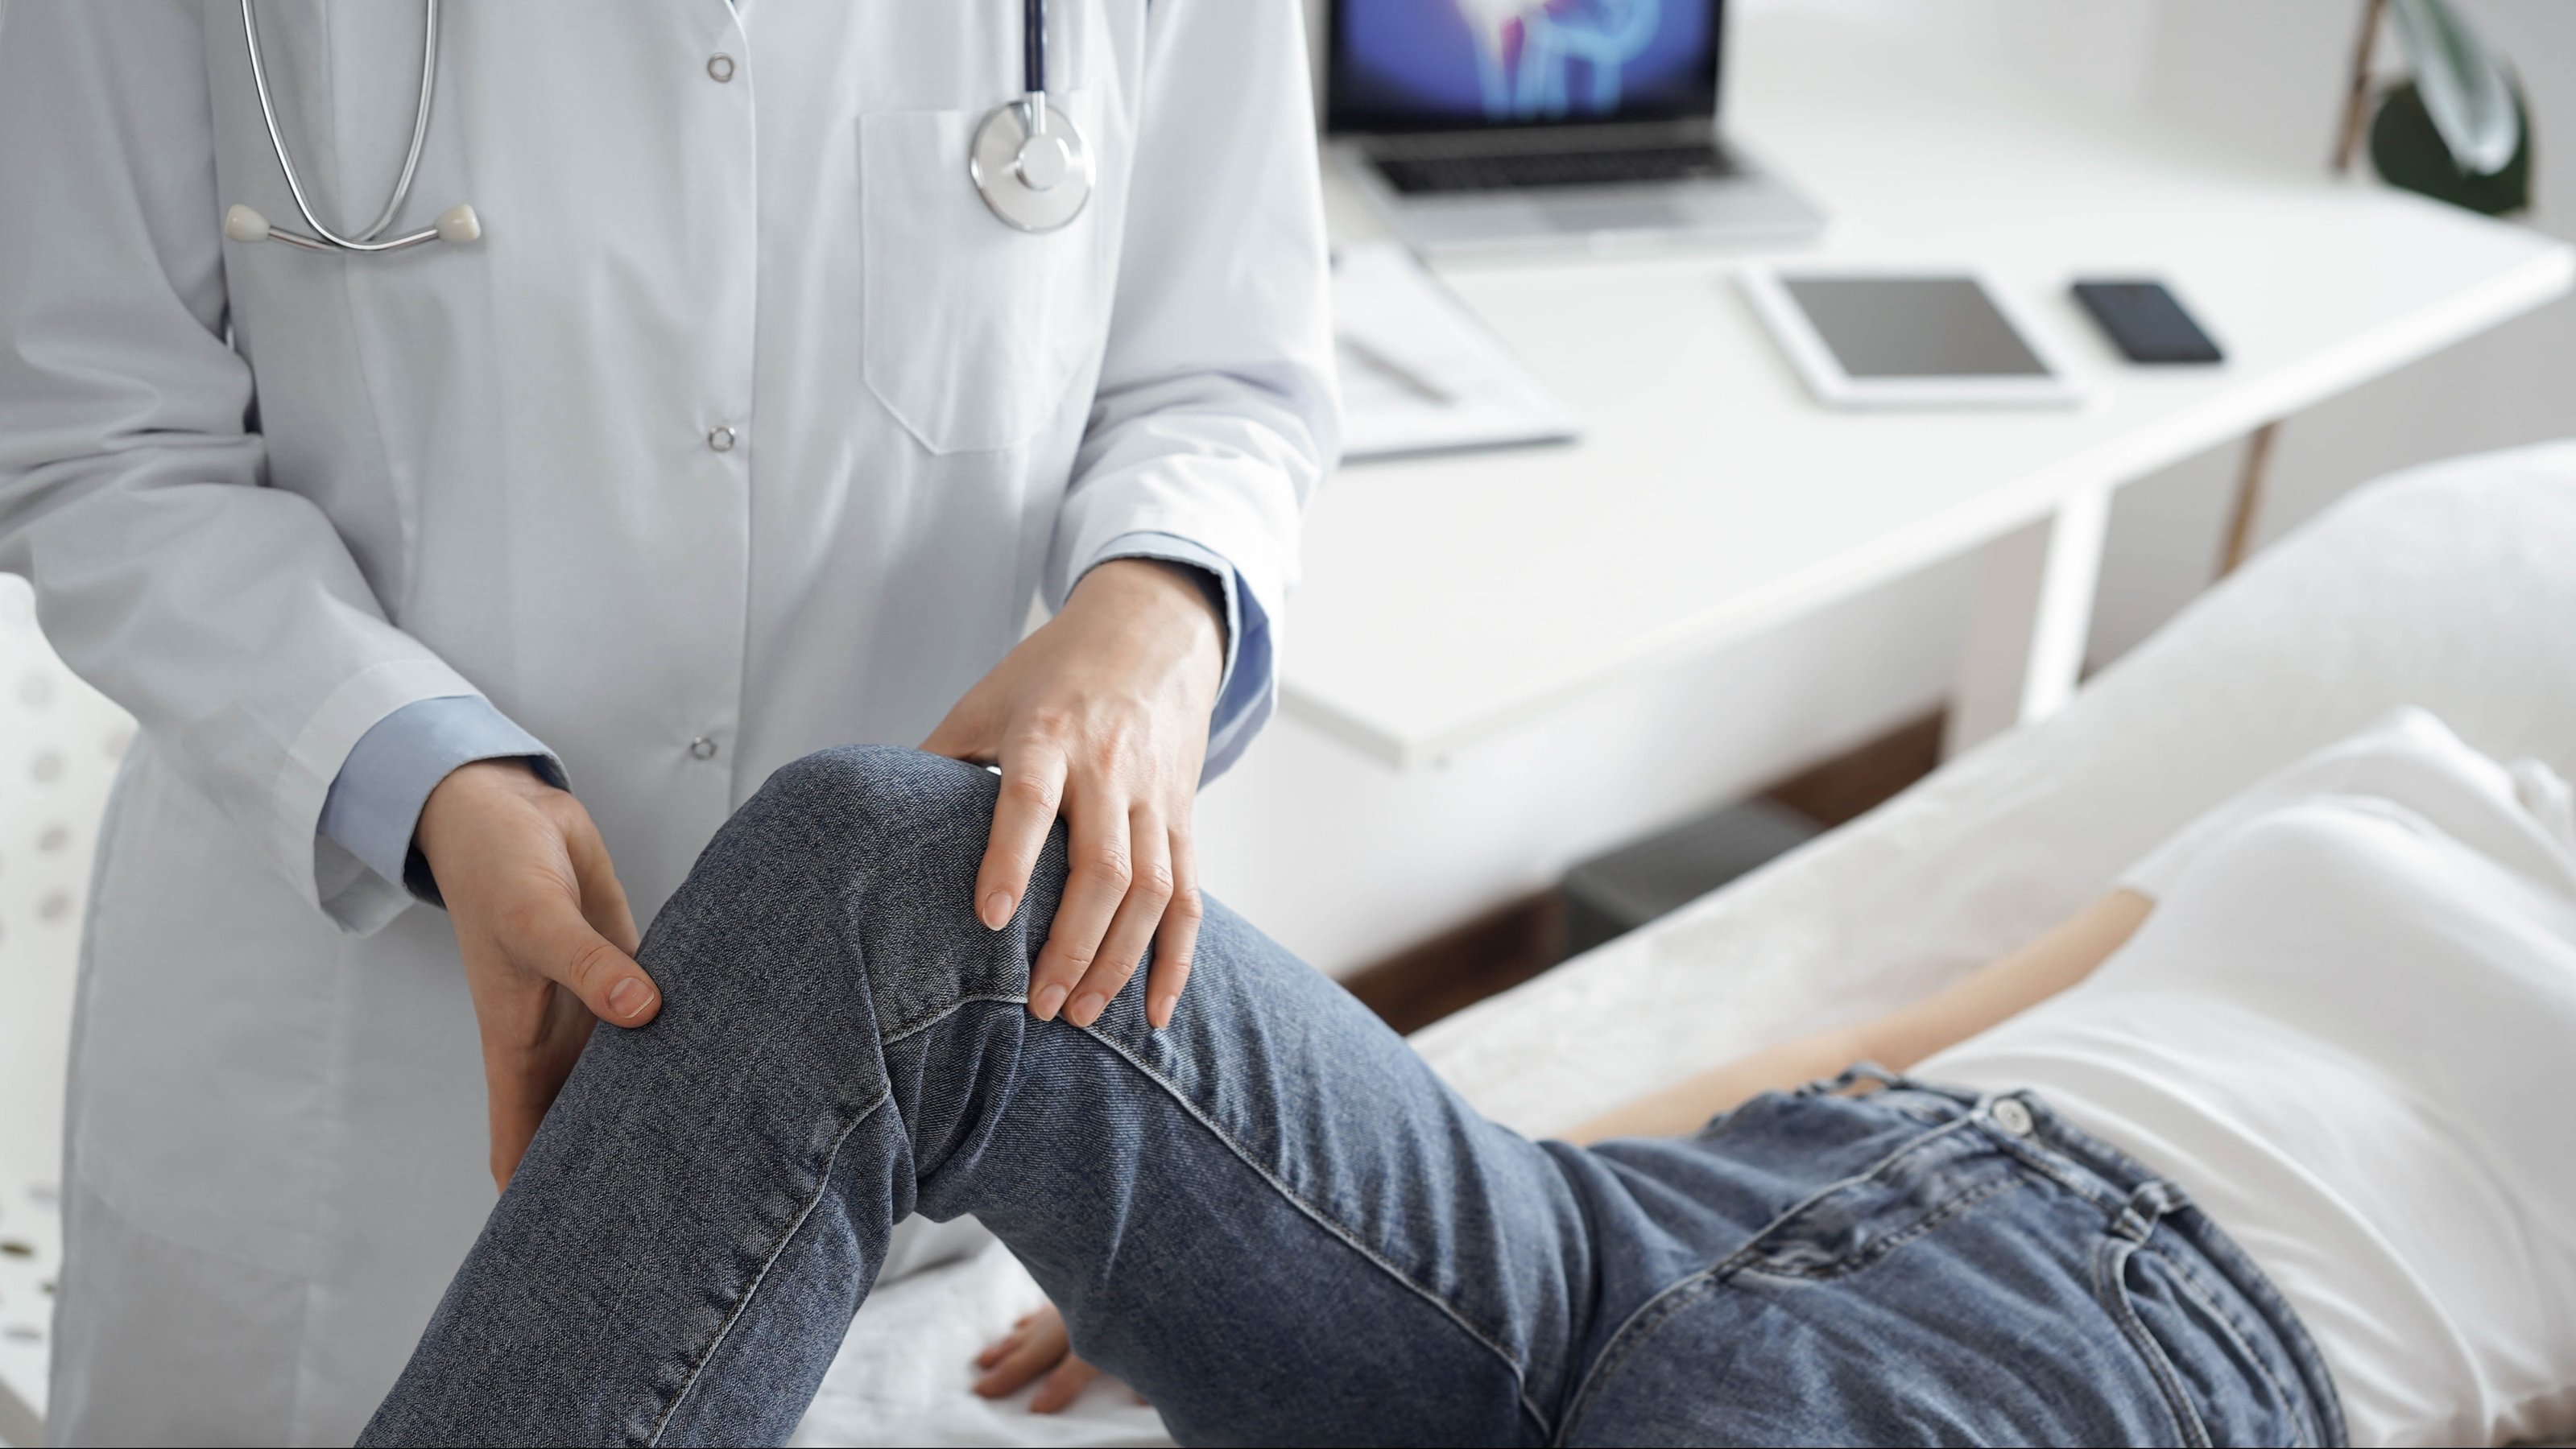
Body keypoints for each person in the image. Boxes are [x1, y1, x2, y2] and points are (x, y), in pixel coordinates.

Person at [0, 3, 1333, 1441]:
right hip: (352, 1080)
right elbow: (96, 433)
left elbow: (1224, 374)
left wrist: (1155, 612)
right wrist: (419, 778)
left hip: (929, 1083)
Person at [359, 713, 2576, 1447]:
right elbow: (1931, 1027)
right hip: (1678, 1216)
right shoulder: (2402, 774)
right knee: (906, 868)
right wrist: (1253, 1209)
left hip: (2120, 1364)